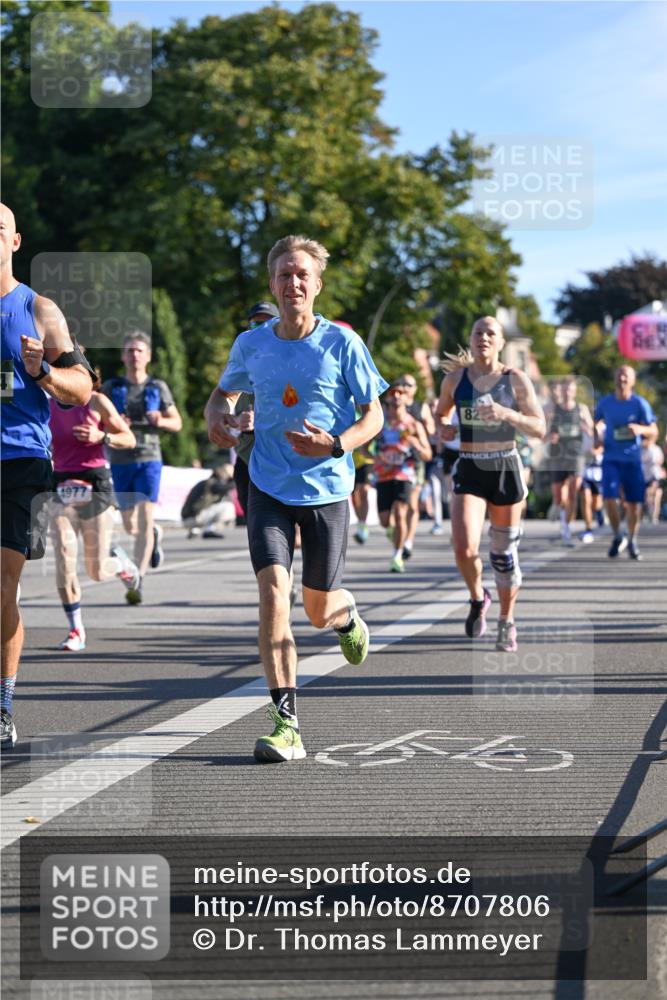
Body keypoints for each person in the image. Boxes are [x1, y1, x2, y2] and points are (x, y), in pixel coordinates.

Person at [205, 234, 387, 763]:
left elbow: (373, 415)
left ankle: (346, 613)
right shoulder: (252, 344)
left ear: (318, 285)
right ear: (273, 283)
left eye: (302, 274)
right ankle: (286, 724)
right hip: (266, 484)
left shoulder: (343, 344)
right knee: (271, 597)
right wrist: (220, 419)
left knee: (316, 610)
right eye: (284, 274)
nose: (293, 283)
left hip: (327, 489)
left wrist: (334, 443)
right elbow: (223, 395)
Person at [1, 202, 94, 748]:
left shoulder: (38, 310)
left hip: (19, 462)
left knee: (1, 586)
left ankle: (4, 705)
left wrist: (43, 372)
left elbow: (82, 388)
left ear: (16, 243)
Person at [435, 316, 546, 652]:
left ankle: (506, 620)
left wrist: (507, 414)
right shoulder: (455, 380)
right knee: (463, 547)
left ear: (500, 343)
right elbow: (440, 414)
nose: (483, 337)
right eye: (478, 332)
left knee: (502, 555)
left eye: (490, 333)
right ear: (471, 339)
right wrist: (444, 429)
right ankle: (477, 596)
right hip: (470, 466)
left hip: (505, 467)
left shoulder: (515, 380)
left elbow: (539, 427)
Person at [49, 379, 141, 650]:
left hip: (95, 482)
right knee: (64, 555)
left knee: (97, 570)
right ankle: (76, 629)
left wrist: (102, 437)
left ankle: (122, 565)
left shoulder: (96, 400)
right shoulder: (46, 401)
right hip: (61, 482)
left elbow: (129, 438)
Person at [99, 332, 183, 602]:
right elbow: (95, 419)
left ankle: (139, 579)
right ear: (123, 356)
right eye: (130, 350)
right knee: (130, 525)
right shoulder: (111, 388)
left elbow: (177, 423)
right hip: (120, 459)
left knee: (145, 519)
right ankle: (154, 537)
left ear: (148, 356)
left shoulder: (157, 387)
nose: (134, 355)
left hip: (149, 457)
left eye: (139, 350)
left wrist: (160, 420)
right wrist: (112, 422)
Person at [594, 364, 657, 560]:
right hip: (611, 459)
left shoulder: (640, 404)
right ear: (615, 378)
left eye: (626, 376)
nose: (622, 379)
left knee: (634, 504)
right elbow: (596, 423)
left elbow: (653, 429)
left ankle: (632, 539)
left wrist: (640, 429)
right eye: (620, 375)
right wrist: (597, 433)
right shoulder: (605, 403)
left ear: (633, 381)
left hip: (632, 461)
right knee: (609, 499)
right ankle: (618, 535)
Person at [373, 378, 432, 572]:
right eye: (393, 394)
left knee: (400, 513)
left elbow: (427, 454)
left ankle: (397, 555)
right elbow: (364, 448)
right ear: (388, 399)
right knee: (384, 520)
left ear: (406, 399)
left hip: (405, 474)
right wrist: (376, 456)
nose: (397, 396)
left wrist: (416, 445)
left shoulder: (413, 425)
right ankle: (396, 535)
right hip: (383, 475)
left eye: (401, 394)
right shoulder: (379, 424)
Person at [232, 302, 280, 520]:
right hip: (246, 454)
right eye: (255, 322)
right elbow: (223, 405)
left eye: (267, 322)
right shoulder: (239, 359)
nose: (261, 327)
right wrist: (235, 421)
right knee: (253, 521)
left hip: (279, 454)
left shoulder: (290, 359)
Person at [547, 375, 593, 546]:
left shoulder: (581, 409)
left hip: (575, 455)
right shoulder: (553, 409)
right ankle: (560, 512)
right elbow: (542, 431)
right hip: (558, 455)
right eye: (565, 389)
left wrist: (586, 428)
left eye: (571, 389)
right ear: (561, 390)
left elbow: (591, 430)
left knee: (573, 492)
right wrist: (549, 436)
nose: (567, 392)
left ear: (574, 391)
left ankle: (566, 529)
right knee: (560, 496)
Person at [401, 373, 435, 560]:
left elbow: (431, 430)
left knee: (412, 503)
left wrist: (420, 428)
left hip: (415, 460)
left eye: (409, 384)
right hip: (395, 461)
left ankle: (408, 541)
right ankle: (399, 532)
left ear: (415, 389)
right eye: (402, 384)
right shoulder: (392, 407)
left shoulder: (419, 407)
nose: (405, 388)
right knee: (398, 508)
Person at [181, 462, 237, 538]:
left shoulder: (207, 482)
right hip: (194, 518)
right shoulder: (212, 483)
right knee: (228, 506)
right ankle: (208, 530)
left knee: (217, 504)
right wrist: (235, 478)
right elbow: (225, 488)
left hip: (188, 518)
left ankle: (196, 529)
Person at [580, 444, 605, 543]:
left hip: (599, 476)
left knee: (596, 505)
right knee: (586, 500)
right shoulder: (584, 433)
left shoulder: (603, 431)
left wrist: (598, 450)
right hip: (586, 475)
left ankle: (599, 514)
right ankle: (588, 529)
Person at [640, 437, 665, 524]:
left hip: (654, 475)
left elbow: (661, 460)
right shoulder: (640, 449)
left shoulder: (656, 449)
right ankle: (645, 514)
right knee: (647, 497)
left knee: (656, 496)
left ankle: (654, 516)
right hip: (643, 476)